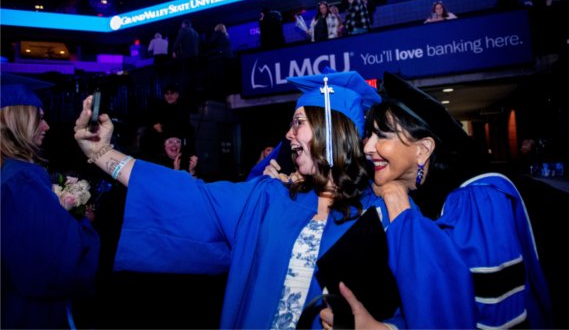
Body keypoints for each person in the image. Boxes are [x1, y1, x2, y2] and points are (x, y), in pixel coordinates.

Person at [72, 70, 410, 329]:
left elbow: (425, 306)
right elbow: (188, 196)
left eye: (298, 123)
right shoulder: (269, 199)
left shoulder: (385, 214)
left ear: (331, 132)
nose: (288, 134)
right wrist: (100, 151)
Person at [321, 71, 553, 329]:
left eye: (382, 136)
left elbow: (491, 317)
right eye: (369, 135)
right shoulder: (406, 191)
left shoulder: (475, 200)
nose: (367, 148)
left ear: (423, 149)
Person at [1, 83, 100, 329]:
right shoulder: (21, 180)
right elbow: (53, 265)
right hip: (27, 313)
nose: (46, 126)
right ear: (19, 121)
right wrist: (85, 224)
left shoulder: (9, 172)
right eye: (40, 118)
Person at [172, 19, 200, 90]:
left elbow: (178, 40)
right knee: (194, 73)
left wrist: (174, 50)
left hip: (186, 55)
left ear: (184, 24)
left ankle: (186, 90)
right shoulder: (195, 32)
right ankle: (195, 88)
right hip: (195, 55)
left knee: (186, 73)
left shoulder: (183, 30)